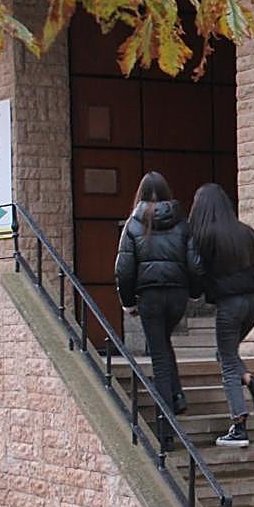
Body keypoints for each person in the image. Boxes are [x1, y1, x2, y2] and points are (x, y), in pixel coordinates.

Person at [187, 183, 254, 447]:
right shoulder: (246, 233)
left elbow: (195, 271)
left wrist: (197, 290)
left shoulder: (204, 235)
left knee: (227, 363)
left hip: (229, 306)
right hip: (252, 304)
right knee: (225, 353)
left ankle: (239, 427)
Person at [114, 172, 192, 419]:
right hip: (178, 295)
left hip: (150, 297)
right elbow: (194, 261)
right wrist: (193, 290)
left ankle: (166, 425)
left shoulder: (133, 224)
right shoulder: (182, 223)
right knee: (162, 343)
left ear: (141, 194)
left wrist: (128, 303)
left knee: (158, 354)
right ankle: (177, 396)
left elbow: (124, 269)